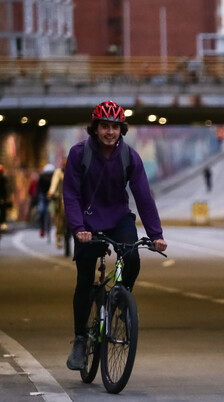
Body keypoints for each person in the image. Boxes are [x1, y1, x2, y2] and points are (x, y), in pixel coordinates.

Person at [63, 100, 167, 370]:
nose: (110, 132)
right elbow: (71, 194)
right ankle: (79, 339)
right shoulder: (79, 154)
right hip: (87, 223)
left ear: (122, 129)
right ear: (95, 128)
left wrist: (156, 234)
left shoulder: (129, 156)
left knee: (132, 257)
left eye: (115, 127)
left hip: (118, 217)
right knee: (84, 280)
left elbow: (143, 196)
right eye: (104, 126)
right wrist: (78, 228)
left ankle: (122, 300)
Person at [47, 158, 67, 250]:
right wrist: (51, 192)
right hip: (61, 197)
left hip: (73, 197)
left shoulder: (74, 171)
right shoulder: (58, 172)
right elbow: (54, 183)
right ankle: (59, 235)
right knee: (61, 214)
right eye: (64, 163)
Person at [36, 163, 55, 238]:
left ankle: (51, 224)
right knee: (41, 210)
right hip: (43, 196)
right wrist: (41, 196)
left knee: (50, 211)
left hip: (51, 197)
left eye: (50, 175)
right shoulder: (41, 178)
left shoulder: (54, 179)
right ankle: (42, 227)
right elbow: (39, 189)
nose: (49, 176)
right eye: (47, 174)